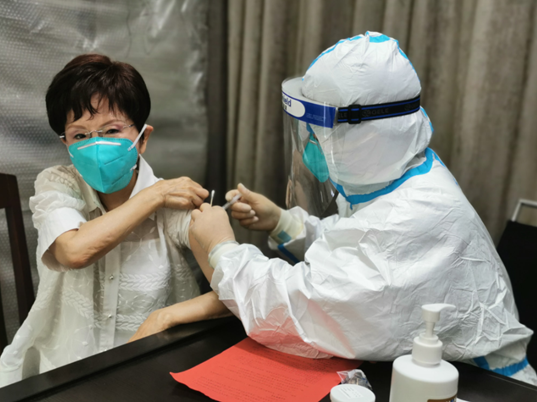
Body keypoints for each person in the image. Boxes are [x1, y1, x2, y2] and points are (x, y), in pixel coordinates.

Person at [190, 32, 537, 384]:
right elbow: (356, 245)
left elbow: (305, 307)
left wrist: (222, 249)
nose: (310, 147)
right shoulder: (404, 173)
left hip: (486, 388)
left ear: (369, 135)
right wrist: (284, 223)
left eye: (320, 134)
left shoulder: (417, 213)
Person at [0, 54, 229, 387]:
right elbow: (73, 251)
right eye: (79, 135)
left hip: (148, 372)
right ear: (65, 143)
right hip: (64, 370)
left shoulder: (175, 203)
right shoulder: (58, 183)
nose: (95, 145)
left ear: (143, 138)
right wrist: (153, 196)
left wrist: (164, 317)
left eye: (111, 130)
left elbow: (232, 289)